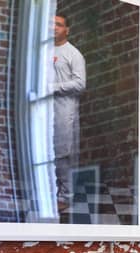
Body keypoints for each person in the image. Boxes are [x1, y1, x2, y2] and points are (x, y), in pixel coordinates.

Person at [51, 12, 86, 210]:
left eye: (58, 24)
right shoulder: (44, 51)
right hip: (46, 108)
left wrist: (52, 87)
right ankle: (52, 192)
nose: (54, 27)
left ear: (67, 29)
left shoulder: (73, 54)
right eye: (51, 24)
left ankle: (67, 195)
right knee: (48, 150)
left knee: (64, 152)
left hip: (65, 109)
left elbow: (81, 84)